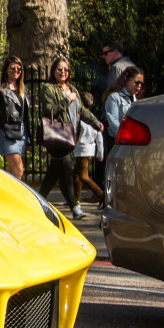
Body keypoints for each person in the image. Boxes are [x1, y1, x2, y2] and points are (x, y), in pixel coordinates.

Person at [39, 57, 102, 220]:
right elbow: (49, 109)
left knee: (53, 172)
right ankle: (75, 207)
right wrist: (67, 99)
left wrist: (95, 122)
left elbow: (81, 111)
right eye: (59, 69)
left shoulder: (72, 88)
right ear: (54, 71)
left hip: (71, 135)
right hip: (57, 134)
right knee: (66, 168)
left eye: (66, 69)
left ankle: (38, 200)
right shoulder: (48, 88)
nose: (62, 72)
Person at [0, 55, 29, 179]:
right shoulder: (2, 87)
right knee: (18, 169)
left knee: (11, 171)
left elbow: (26, 116)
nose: (16, 71)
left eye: (19, 69)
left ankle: (2, 193)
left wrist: (29, 138)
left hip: (21, 133)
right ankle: (16, 197)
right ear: (6, 70)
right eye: (12, 68)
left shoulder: (23, 89)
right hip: (7, 132)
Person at [103, 66, 145, 160]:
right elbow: (113, 123)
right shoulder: (114, 98)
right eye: (136, 82)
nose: (139, 86)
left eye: (141, 83)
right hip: (118, 143)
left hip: (133, 144)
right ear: (126, 81)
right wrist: (126, 136)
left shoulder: (136, 100)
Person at [73, 92, 105, 207]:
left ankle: (101, 194)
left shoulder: (81, 118)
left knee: (83, 176)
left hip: (83, 150)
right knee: (76, 174)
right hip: (89, 149)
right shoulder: (93, 118)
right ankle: (75, 199)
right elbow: (99, 137)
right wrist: (100, 151)